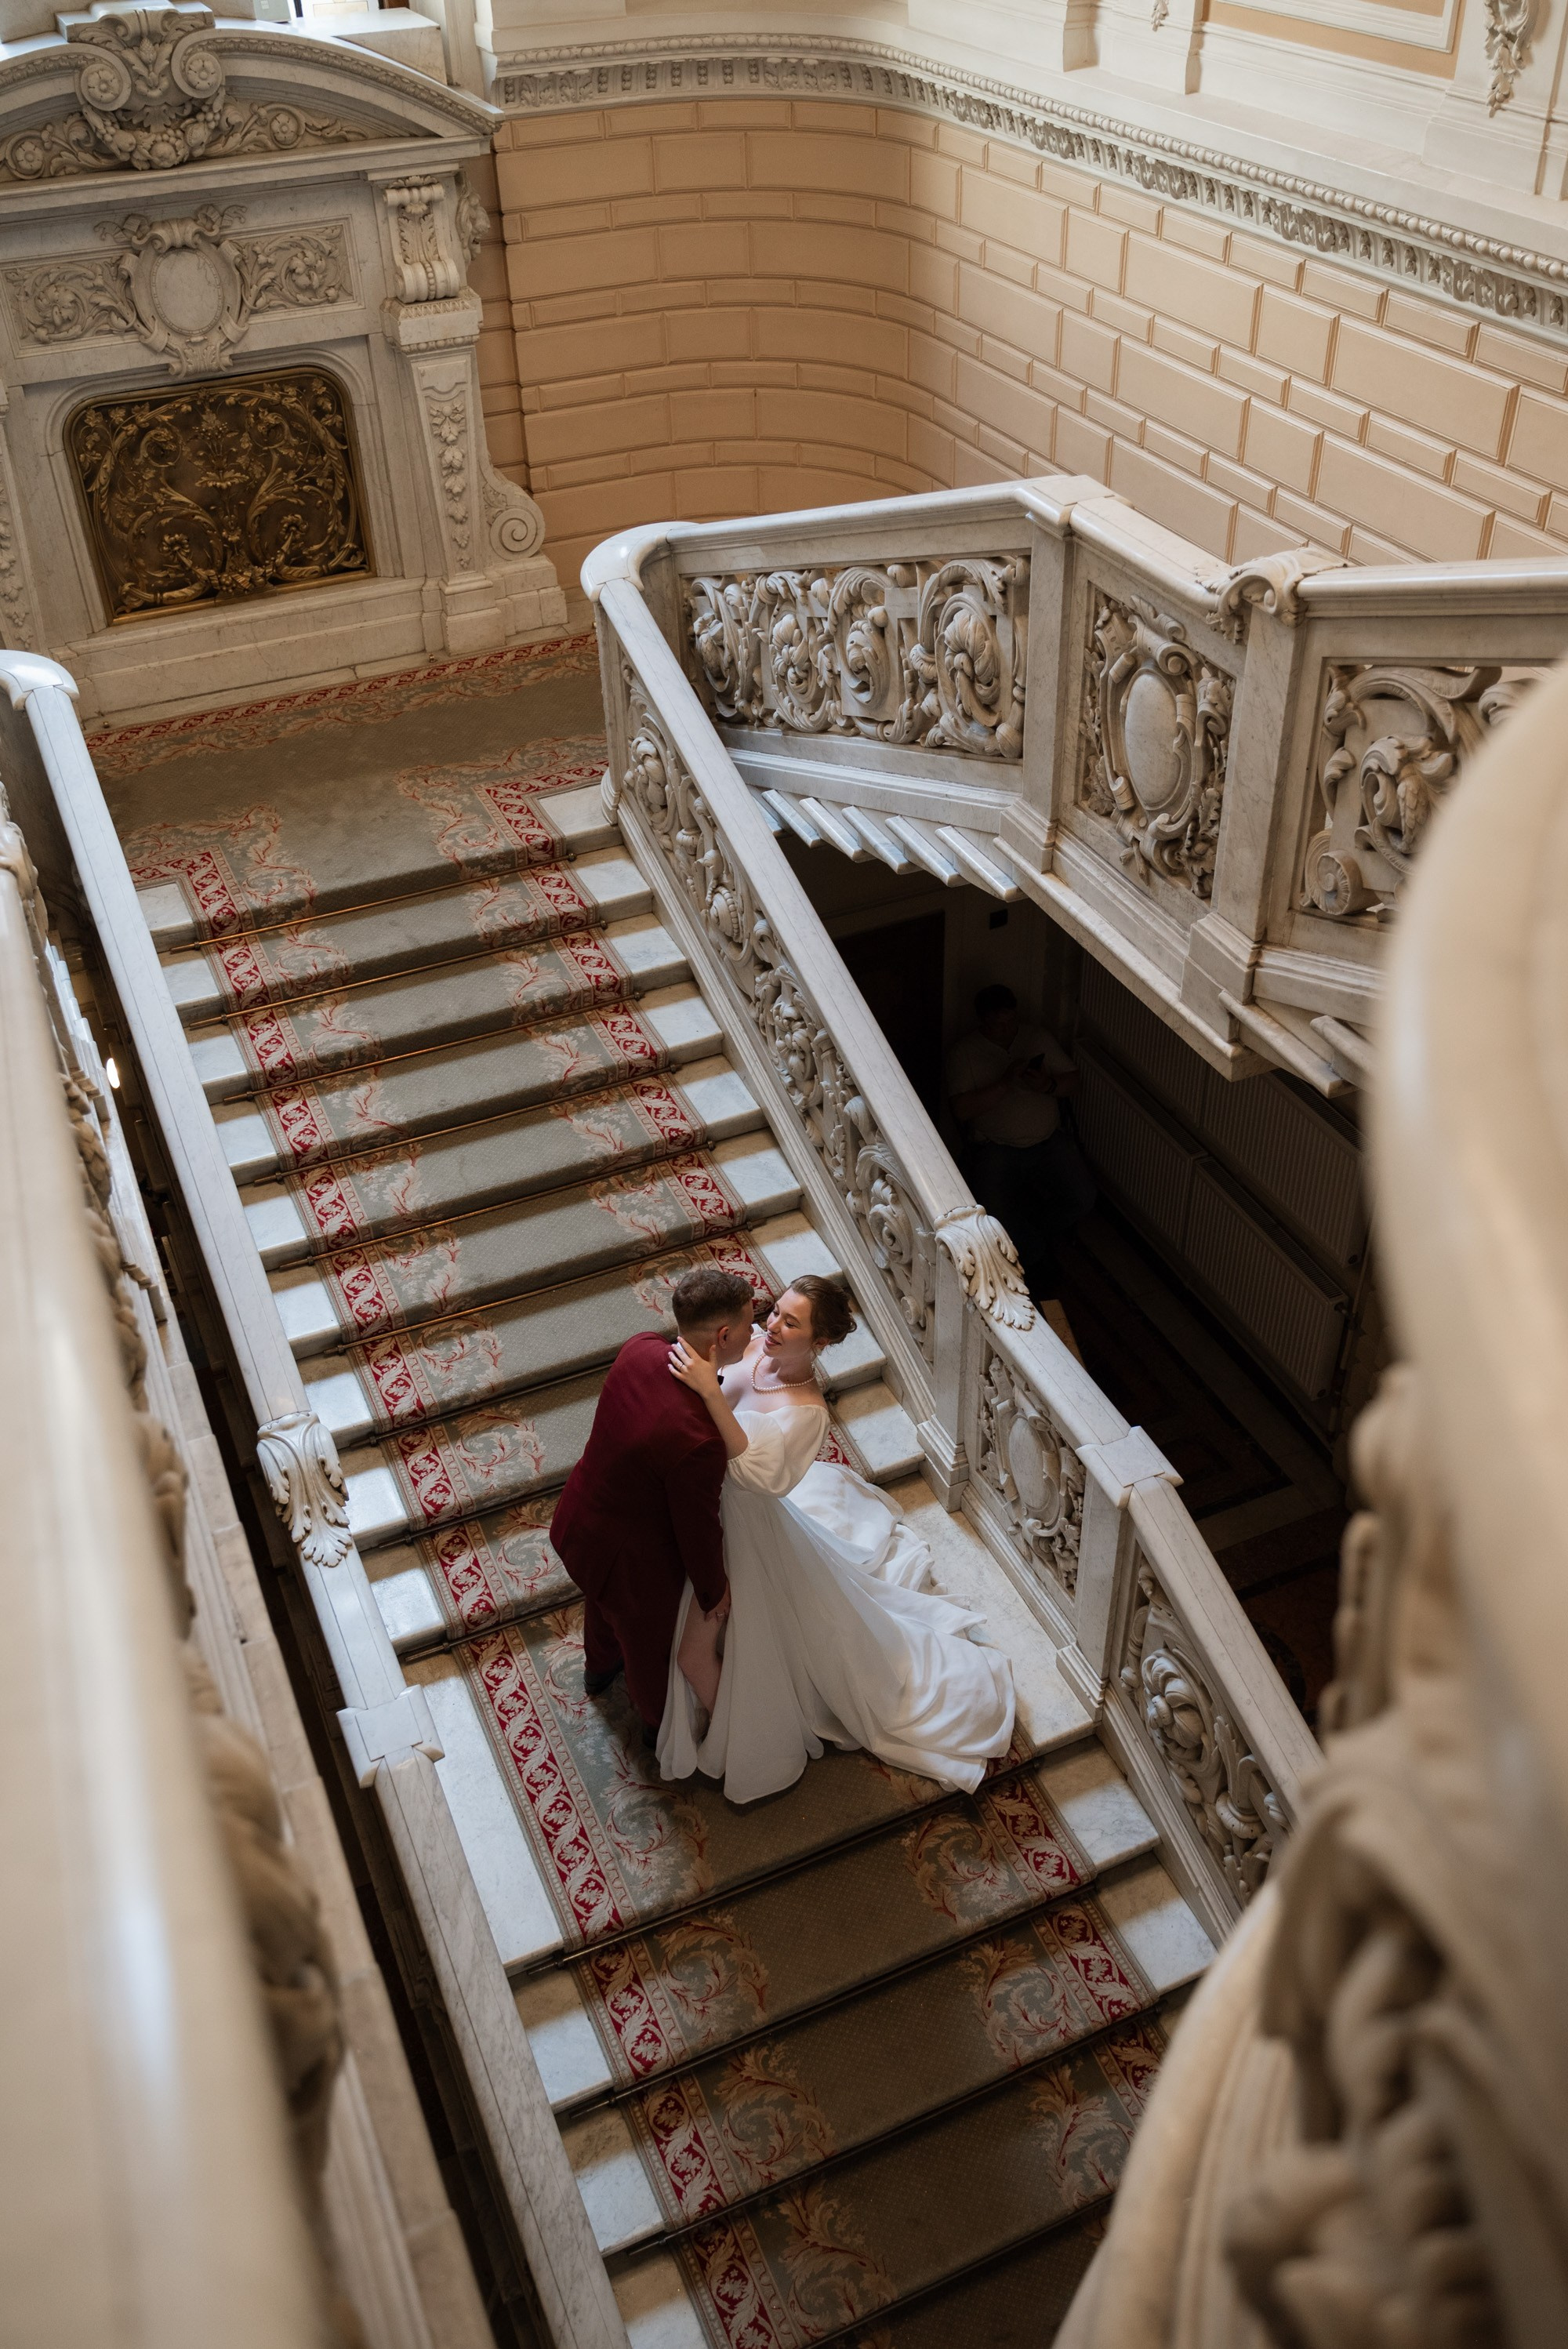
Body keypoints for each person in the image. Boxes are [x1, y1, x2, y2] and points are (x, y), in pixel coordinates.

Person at [661, 1274, 1014, 1803]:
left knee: (720, 1642)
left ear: (820, 1343)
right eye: (775, 1311)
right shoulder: (752, 1344)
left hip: (746, 1524)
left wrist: (711, 1392)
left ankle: (737, 1733)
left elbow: (763, 1478)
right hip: (708, 1505)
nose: (771, 1325)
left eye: (790, 1322)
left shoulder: (806, 1413)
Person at [550, 1264, 753, 1745]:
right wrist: (713, 1592)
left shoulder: (640, 1348)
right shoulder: (699, 1439)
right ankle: (656, 1729)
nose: (756, 1329)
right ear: (723, 1336)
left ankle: (597, 1672)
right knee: (648, 1651)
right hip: (631, 1562)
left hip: (580, 1518)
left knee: (599, 1608)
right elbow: (696, 1527)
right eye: (750, 1322)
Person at [946, 982, 1096, 1302]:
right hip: (996, 1147)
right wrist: (1005, 1083)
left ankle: (1035, 1233)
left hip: (1048, 1140)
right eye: (997, 1024)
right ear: (982, 1022)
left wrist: (1047, 1084)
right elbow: (961, 1109)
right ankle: (1036, 1255)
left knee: (1083, 1198)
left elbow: (1073, 1081)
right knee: (995, 1213)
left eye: (1010, 1021)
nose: (1006, 1029)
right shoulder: (965, 1053)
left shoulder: (1035, 1037)